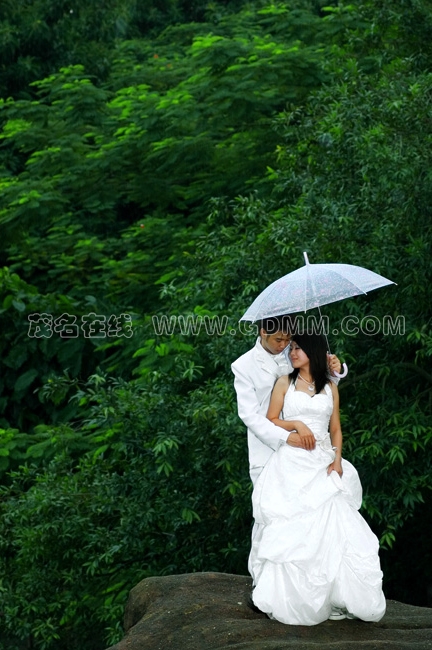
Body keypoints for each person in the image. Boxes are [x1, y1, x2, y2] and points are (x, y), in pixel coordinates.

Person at [249, 333, 386, 624]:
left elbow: (335, 428)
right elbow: (271, 419)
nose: (292, 352)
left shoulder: (329, 387)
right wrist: (296, 423)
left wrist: (337, 460)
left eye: (298, 348)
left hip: (323, 462)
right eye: (292, 348)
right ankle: (292, 598)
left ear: (314, 351)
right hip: (293, 462)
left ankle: (336, 595)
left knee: (335, 527)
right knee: (294, 529)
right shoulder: (285, 382)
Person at [231, 316, 342, 486]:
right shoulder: (243, 366)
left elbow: (317, 388)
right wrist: (287, 436)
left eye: (287, 339)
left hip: (311, 448)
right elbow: (250, 416)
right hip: (267, 449)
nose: (283, 345)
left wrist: (334, 372)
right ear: (263, 332)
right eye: (278, 340)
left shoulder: (295, 353)